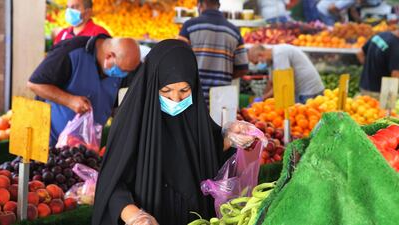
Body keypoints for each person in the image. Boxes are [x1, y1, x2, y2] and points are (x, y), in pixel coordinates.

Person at [91, 40, 259, 225]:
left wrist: (230, 139)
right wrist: (134, 216)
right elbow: (111, 183)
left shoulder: (196, 119)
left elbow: (208, 156)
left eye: (184, 91)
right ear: (152, 84)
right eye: (166, 91)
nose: (175, 99)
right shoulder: (130, 122)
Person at [27, 34, 141, 146]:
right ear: (109, 56)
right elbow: (35, 84)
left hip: (87, 146)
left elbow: (115, 102)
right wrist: (69, 100)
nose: (125, 75)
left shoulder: (124, 64)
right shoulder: (71, 52)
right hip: (49, 141)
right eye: (123, 70)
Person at [178, 0, 249, 105]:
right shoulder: (234, 31)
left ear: (200, 5)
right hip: (220, 98)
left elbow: (177, 60)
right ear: (219, 5)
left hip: (193, 96)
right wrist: (225, 76)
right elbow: (243, 68)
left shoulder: (189, 26)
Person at [248, 44, 325, 104]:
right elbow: (271, 82)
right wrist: (262, 99)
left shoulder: (279, 54)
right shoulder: (271, 60)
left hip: (309, 92)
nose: (260, 65)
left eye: (257, 62)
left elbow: (282, 84)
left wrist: (262, 99)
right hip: (302, 91)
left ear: (260, 55)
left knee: (309, 120)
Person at [357, 29, 399, 98]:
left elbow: (360, 53)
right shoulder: (396, 48)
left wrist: (371, 69)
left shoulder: (381, 35)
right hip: (378, 94)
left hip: (364, 87)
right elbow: (395, 76)